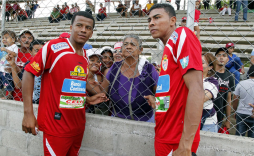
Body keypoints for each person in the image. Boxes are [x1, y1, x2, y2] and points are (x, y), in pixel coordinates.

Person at [22, 11, 108, 156]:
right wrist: (28, 113)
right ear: (70, 27)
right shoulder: (54, 47)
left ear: (91, 33)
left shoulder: (86, 55)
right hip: (56, 126)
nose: (83, 30)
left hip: (77, 126)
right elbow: (29, 72)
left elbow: (71, 85)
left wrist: (87, 99)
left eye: (88, 28)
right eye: (79, 25)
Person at [148, 3, 203, 155]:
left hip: (177, 140)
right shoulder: (169, 47)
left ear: (173, 20)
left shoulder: (182, 34)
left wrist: (185, 144)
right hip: (163, 134)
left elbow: (197, 89)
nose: (151, 22)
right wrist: (158, 102)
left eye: (157, 17)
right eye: (149, 19)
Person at [100, 34, 159, 122]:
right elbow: (102, 91)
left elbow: (162, 95)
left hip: (145, 120)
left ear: (140, 50)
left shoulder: (149, 68)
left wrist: (156, 101)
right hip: (117, 118)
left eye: (133, 44)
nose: (128, 47)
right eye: (125, 44)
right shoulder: (115, 67)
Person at [213, 47, 235, 131]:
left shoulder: (229, 77)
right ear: (215, 57)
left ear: (228, 59)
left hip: (219, 116)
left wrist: (228, 120)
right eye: (219, 55)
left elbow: (228, 99)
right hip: (204, 113)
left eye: (224, 55)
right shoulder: (209, 72)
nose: (221, 57)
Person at [233, 65, 254, 138]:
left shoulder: (241, 83)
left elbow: (235, 99)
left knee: (239, 136)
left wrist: (235, 110)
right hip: (252, 113)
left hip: (241, 112)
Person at [21, 39, 45, 104]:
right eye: (36, 51)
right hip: (32, 99)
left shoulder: (48, 65)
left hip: (45, 99)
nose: (40, 53)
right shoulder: (27, 65)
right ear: (31, 52)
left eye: (42, 51)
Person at [201, 53, 219, 132]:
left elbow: (202, 98)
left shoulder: (213, 82)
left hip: (207, 123)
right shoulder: (189, 79)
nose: (198, 64)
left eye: (202, 62)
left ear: (210, 67)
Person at [0, 30, 19, 100]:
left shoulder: (14, 46)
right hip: (1, 68)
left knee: (7, 81)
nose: (4, 39)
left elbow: (14, 54)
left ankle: (9, 95)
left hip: (8, 68)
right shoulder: (4, 48)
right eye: (3, 38)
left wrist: (5, 50)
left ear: (13, 39)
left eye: (6, 37)